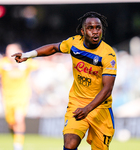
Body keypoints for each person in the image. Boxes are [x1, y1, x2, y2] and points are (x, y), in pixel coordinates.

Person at [12, 11, 117, 150]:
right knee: (70, 143)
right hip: (77, 103)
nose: (95, 31)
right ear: (82, 31)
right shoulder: (74, 43)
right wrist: (28, 55)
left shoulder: (108, 55)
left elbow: (107, 89)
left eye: (98, 27)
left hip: (100, 109)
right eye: (90, 28)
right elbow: (54, 48)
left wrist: (88, 109)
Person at [0, 43, 38, 150]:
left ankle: (18, 146)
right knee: (11, 123)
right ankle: (15, 135)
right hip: (7, 98)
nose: (8, 53)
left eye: (11, 50)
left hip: (22, 96)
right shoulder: (3, 63)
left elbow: (40, 64)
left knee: (19, 119)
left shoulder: (26, 61)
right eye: (7, 50)